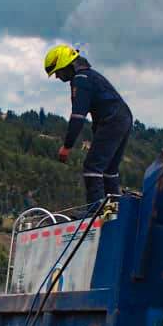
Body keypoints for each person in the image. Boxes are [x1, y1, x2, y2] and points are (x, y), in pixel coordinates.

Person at [45, 45, 134, 207]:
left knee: (92, 168)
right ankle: (115, 213)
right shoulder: (91, 76)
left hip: (113, 119)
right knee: (109, 171)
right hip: (124, 117)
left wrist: (67, 146)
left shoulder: (80, 80)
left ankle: (96, 213)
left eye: (57, 71)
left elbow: (78, 117)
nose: (57, 77)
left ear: (66, 65)